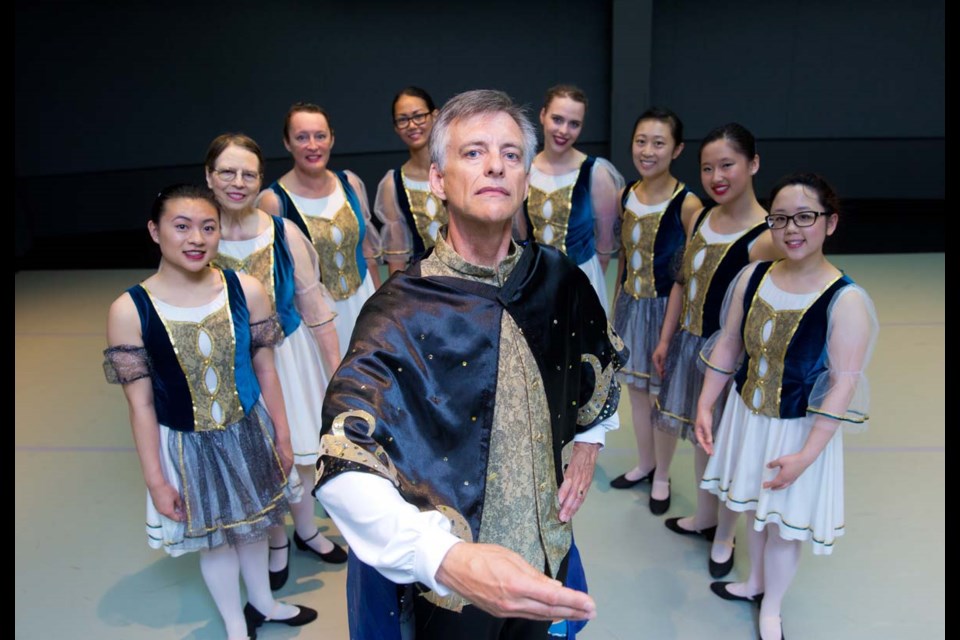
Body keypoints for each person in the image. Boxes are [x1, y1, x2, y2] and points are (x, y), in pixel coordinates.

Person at [314, 89, 626, 640]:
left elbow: (595, 364)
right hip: (445, 590)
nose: (495, 166)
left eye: (510, 154)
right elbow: (345, 464)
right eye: (474, 152)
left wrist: (589, 442)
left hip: (543, 548)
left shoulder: (558, 281)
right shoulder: (399, 311)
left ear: (525, 179)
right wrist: (446, 559)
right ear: (437, 179)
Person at [103, 184, 317, 640]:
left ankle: (263, 602)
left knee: (258, 526)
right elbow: (140, 405)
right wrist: (156, 479)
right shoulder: (131, 309)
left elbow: (267, 371)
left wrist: (282, 437)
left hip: (249, 430)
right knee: (217, 539)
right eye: (181, 227)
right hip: (187, 445)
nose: (196, 238)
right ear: (154, 231)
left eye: (208, 227)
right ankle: (236, 624)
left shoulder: (245, 289)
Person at [695, 173, 878, 640]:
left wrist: (806, 457)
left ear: (830, 223)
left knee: (782, 526)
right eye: (780, 219)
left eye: (805, 217)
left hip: (798, 432)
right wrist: (705, 404)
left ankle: (772, 606)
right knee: (754, 506)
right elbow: (730, 344)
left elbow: (840, 387)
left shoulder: (846, 299)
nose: (791, 229)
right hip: (747, 418)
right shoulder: (752, 277)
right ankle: (755, 581)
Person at [204, 134, 348, 592]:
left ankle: (305, 529)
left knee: (299, 453)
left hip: (289, 359)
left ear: (260, 180)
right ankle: (275, 539)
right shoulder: (199, 238)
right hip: (234, 372)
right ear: (209, 177)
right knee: (260, 459)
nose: (238, 182)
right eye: (227, 172)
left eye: (248, 174)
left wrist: (338, 375)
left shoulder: (283, 233)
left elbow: (315, 307)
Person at [651, 123, 779, 578]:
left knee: (726, 446)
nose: (716, 176)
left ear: (753, 164)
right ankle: (706, 516)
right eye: (707, 168)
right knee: (700, 438)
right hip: (687, 344)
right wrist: (666, 339)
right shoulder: (701, 218)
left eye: (728, 165)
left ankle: (725, 534)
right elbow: (682, 283)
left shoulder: (766, 236)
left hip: (725, 359)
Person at [608, 107, 702, 517]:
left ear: (677, 149)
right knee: (637, 394)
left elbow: (689, 272)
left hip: (667, 312)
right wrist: (616, 308)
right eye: (641, 141)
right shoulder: (625, 194)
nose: (648, 151)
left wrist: (672, 331)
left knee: (663, 397)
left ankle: (662, 474)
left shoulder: (688, 204)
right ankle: (645, 463)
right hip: (633, 304)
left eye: (659, 143)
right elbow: (625, 260)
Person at [259, 102, 382, 356]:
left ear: (332, 139)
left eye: (320, 136)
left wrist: (381, 304)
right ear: (287, 143)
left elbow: (367, 250)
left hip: (363, 302)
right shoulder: (274, 201)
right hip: (316, 318)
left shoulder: (350, 183)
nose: (312, 145)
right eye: (302, 137)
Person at [514, 84, 624, 309]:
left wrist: (588, 287)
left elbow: (604, 246)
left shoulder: (596, 173)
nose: (564, 130)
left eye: (574, 124)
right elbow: (522, 234)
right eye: (557, 119)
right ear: (543, 115)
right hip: (536, 281)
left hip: (582, 278)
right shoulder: (524, 169)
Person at [374, 86, 449, 273]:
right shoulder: (394, 183)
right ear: (395, 127)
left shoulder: (457, 169)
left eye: (418, 116)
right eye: (403, 119)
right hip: (425, 286)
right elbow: (396, 258)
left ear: (435, 115)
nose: (412, 125)